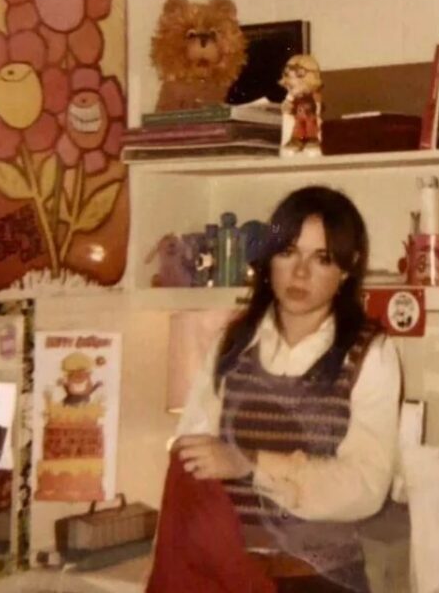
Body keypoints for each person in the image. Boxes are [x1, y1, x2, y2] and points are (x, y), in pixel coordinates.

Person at [169, 186, 401, 592]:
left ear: (347, 269)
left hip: (321, 581)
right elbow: (191, 467)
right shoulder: (232, 342)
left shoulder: (371, 355)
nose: (299, 273)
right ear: (269, 257)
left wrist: (250, 465)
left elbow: (366, 488)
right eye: (288, 252)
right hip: (227, 575)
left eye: (322, 258)